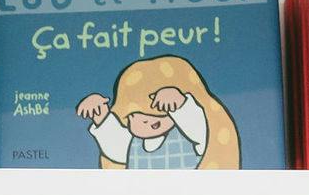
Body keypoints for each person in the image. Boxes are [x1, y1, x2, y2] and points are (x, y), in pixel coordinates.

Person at [76, 56, 241, 172]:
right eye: (135, 116)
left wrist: (179, 104)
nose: (147, 121)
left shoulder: (188, 138)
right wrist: (101, 116)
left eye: (159, 113)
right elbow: (116, 147)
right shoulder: (133, 145)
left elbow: (199, 128)